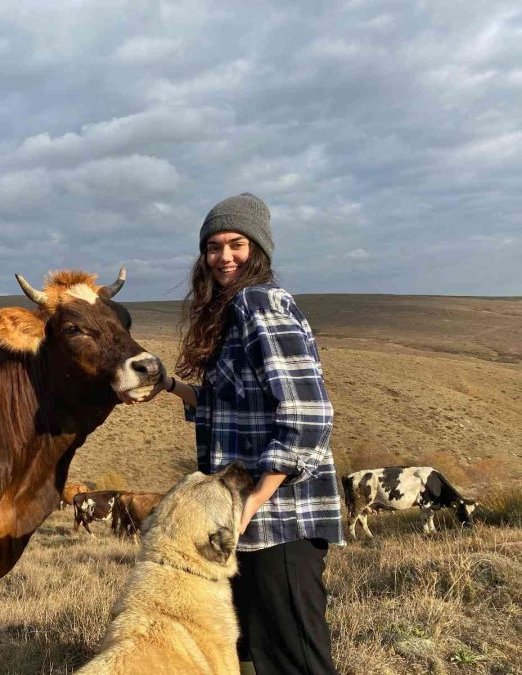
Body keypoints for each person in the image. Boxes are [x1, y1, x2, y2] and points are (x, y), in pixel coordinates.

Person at [128, 193, 344, 675]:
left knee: (294, 660)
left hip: (281, 518)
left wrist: (255, 499)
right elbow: (229, 406)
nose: (224, 257)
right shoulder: (233, 310)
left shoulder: (259, 301)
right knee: (247, 656)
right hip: (246, 522)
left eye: (237, 245)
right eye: (214, 247)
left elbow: (307, 411)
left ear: (258, 249)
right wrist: (169, 386)